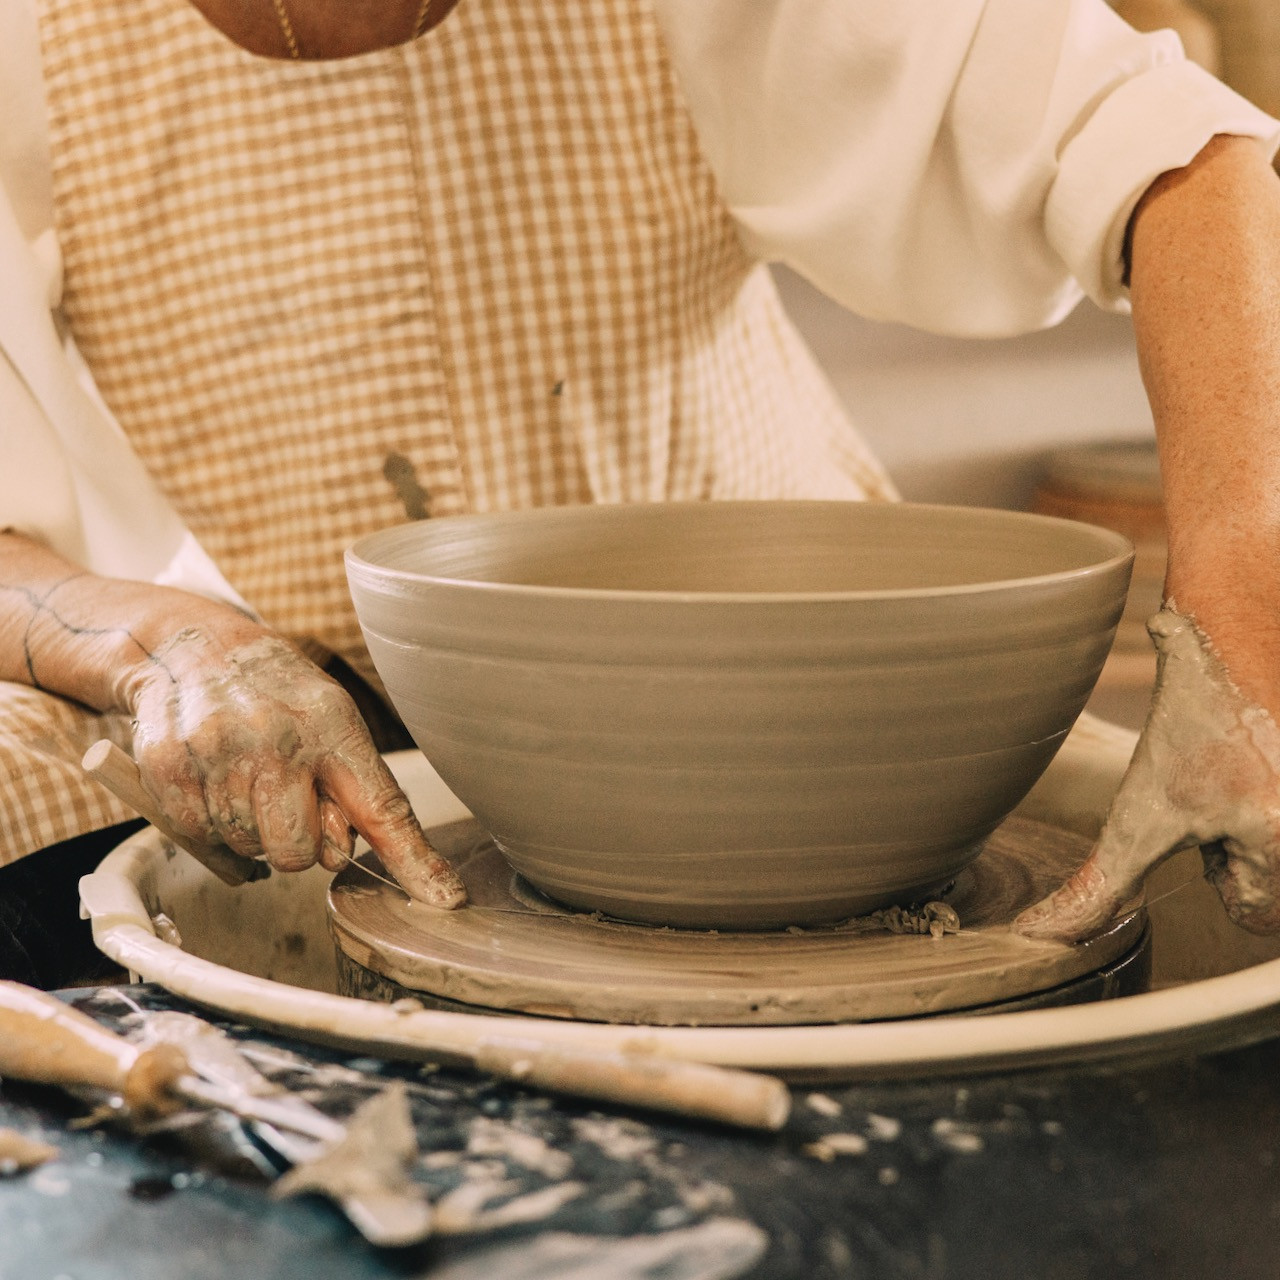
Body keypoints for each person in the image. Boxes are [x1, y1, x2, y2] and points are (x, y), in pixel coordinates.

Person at [3, 0, 1280, 986]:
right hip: (347, 720)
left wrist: (1241, 619)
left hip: (833, 710)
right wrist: (160, 641)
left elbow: (1183, 156)